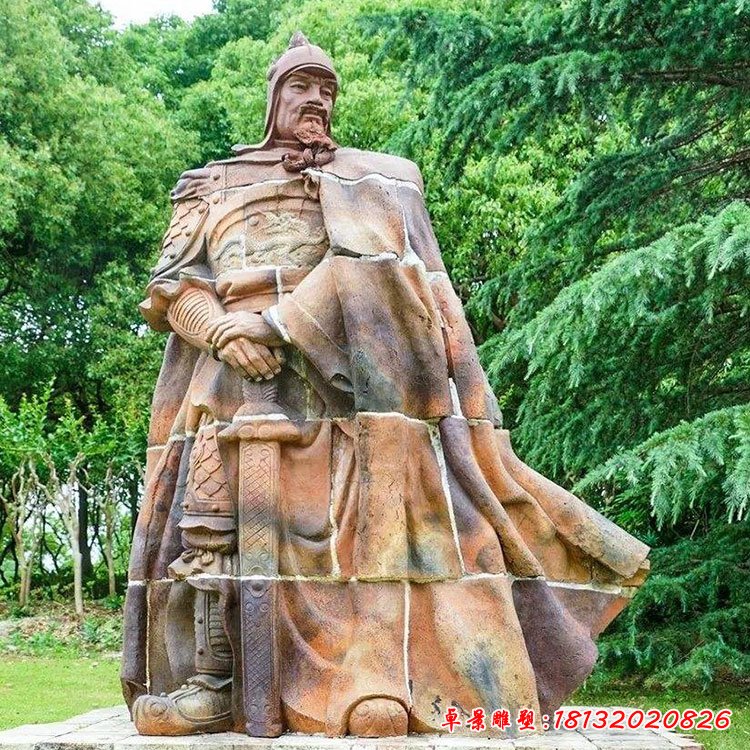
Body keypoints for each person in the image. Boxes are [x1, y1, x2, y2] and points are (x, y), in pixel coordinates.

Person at [122, 32, 650, 739]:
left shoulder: (377, 180)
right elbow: (173, 288)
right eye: (302, 86)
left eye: (327, 90)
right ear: (273, 98)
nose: (317, 100)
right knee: (212, 533)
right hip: (228, 381)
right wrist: (223, 333)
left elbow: (391, 272)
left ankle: (373, 679)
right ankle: (214, 682)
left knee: (363, 541)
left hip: (353, 389)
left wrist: (278, 325)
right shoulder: (211, 184)